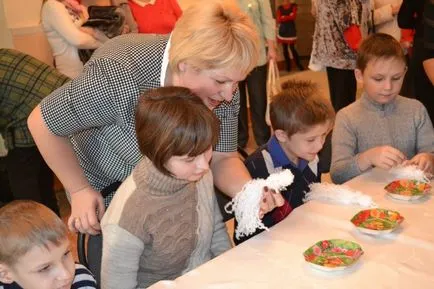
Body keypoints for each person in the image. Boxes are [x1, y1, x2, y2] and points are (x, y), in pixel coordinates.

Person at [28, 0, 284, 236]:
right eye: (221, 81)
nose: (230, 94)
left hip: (172, 193)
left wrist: (251, 192)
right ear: (184, 63)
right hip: (110, 191)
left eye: (237, 82)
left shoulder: (224, 88)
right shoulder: (118, 73)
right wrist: (79, 189)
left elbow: (223, 159)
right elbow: (42, 122)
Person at [100, 87, 231, 288]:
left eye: (206, 150)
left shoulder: (198, 174)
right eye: (189, 159)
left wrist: (232, 270)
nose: (204, 165)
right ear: (156, 154)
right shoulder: (128, 216)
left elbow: (216, 231)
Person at [234, 80, 335, 244]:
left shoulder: (310, 156)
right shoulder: (255, 168)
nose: (320, 145)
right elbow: (244, 237)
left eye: (324, 135)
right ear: (281, 135)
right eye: (311, 139)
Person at [331, 33, 434, 184]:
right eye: (378, 79)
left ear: (404, 73)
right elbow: (338, 174)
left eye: (396, 78)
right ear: (359, 76)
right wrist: (367, 158)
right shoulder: (346, 117)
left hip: (410, 196)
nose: (388, 87)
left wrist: (428, 159)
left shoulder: (416, 110)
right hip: (367, 200)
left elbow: (431, 152)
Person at [0, 49, 71, 216]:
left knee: (25, 193)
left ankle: (37, 232)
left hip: (34, 118)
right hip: (62, 101)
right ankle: (51, 229)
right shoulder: (4, 53)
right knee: (41, 184)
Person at [0, 200, 97, 289]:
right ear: (5, 275)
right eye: (44, 268)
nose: (66, 275)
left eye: (65, 254)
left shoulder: (82, 282)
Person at [310, 0, 372, 112]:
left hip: (334, 56)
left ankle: (341, 126)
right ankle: (344, 128)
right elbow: (348, 25)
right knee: (345, 104)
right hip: (343, 56)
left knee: (338, 100)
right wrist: (364, 50)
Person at [237, 0, 276, 148]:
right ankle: (240, 140)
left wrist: (271, 47)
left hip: (257, 55)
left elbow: (267, 19)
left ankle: (263, 139)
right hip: (235, 56)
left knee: (258, 99)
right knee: (236, 100)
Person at [41, 0, 108, 78]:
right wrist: (103, 43)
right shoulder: (52, 5)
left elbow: (86, 28)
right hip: (72, 73)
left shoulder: (69, 5)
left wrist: (85, 16)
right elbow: (78, 40)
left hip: (88, 70)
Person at [276, 0, 304, 71]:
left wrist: (284, 17)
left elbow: (293, 17)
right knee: (284, 49)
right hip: (283, 30)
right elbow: (279, 19)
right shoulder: (280, 8)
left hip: (291, 30)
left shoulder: (293, 6)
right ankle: (288, 67)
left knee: (292, 49)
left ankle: (298, 64)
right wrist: (288, 16)